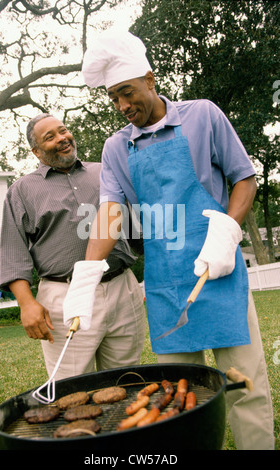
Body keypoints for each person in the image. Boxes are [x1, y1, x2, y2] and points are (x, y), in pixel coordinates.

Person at [77, 31, 275, 450]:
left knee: (245, 385)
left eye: (127, 92)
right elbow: (111, 213)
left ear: (150, 79)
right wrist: (87, 274)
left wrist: (227, 231)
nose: (122, 106)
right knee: (175, 395)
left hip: (217, 269)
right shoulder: (116, 147)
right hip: (166, 282)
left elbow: (244, 177)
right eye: (113, 98)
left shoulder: (202, 115)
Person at [0, 113, 146, 381]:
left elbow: (137, 228)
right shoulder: (22, 191)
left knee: (127, 379)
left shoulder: (106, 172)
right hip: (63, 297)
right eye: (50, 137)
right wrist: (26, 304)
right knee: (71, 388)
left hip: (122, 288)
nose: (62, 138)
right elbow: (13, 253)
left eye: (63, 130)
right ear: (36, 151)